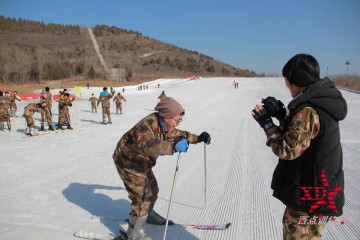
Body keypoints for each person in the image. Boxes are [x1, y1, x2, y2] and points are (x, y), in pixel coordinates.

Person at [251, 53, 347, 240]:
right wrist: (282, 115)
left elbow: (287, 149)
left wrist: (267, 125)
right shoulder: (322, 101)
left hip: (309, 199)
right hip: (319, 195)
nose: (287, 87)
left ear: (296, 81)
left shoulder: (307, 111)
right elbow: (307, 135)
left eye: (288, 82)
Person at [113, 97, 211, 240]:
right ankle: (134, 233)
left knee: (153, 189)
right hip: (128, 162)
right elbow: (147, 145)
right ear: (166, 116)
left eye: (180, 121)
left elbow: (178, 134)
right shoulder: (147, 125)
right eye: (177, 120)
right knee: (141, 198)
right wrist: (172, 147)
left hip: (142, 163)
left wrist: (198, 138)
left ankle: (149, 215)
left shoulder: (165, 125)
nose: (178, 123)